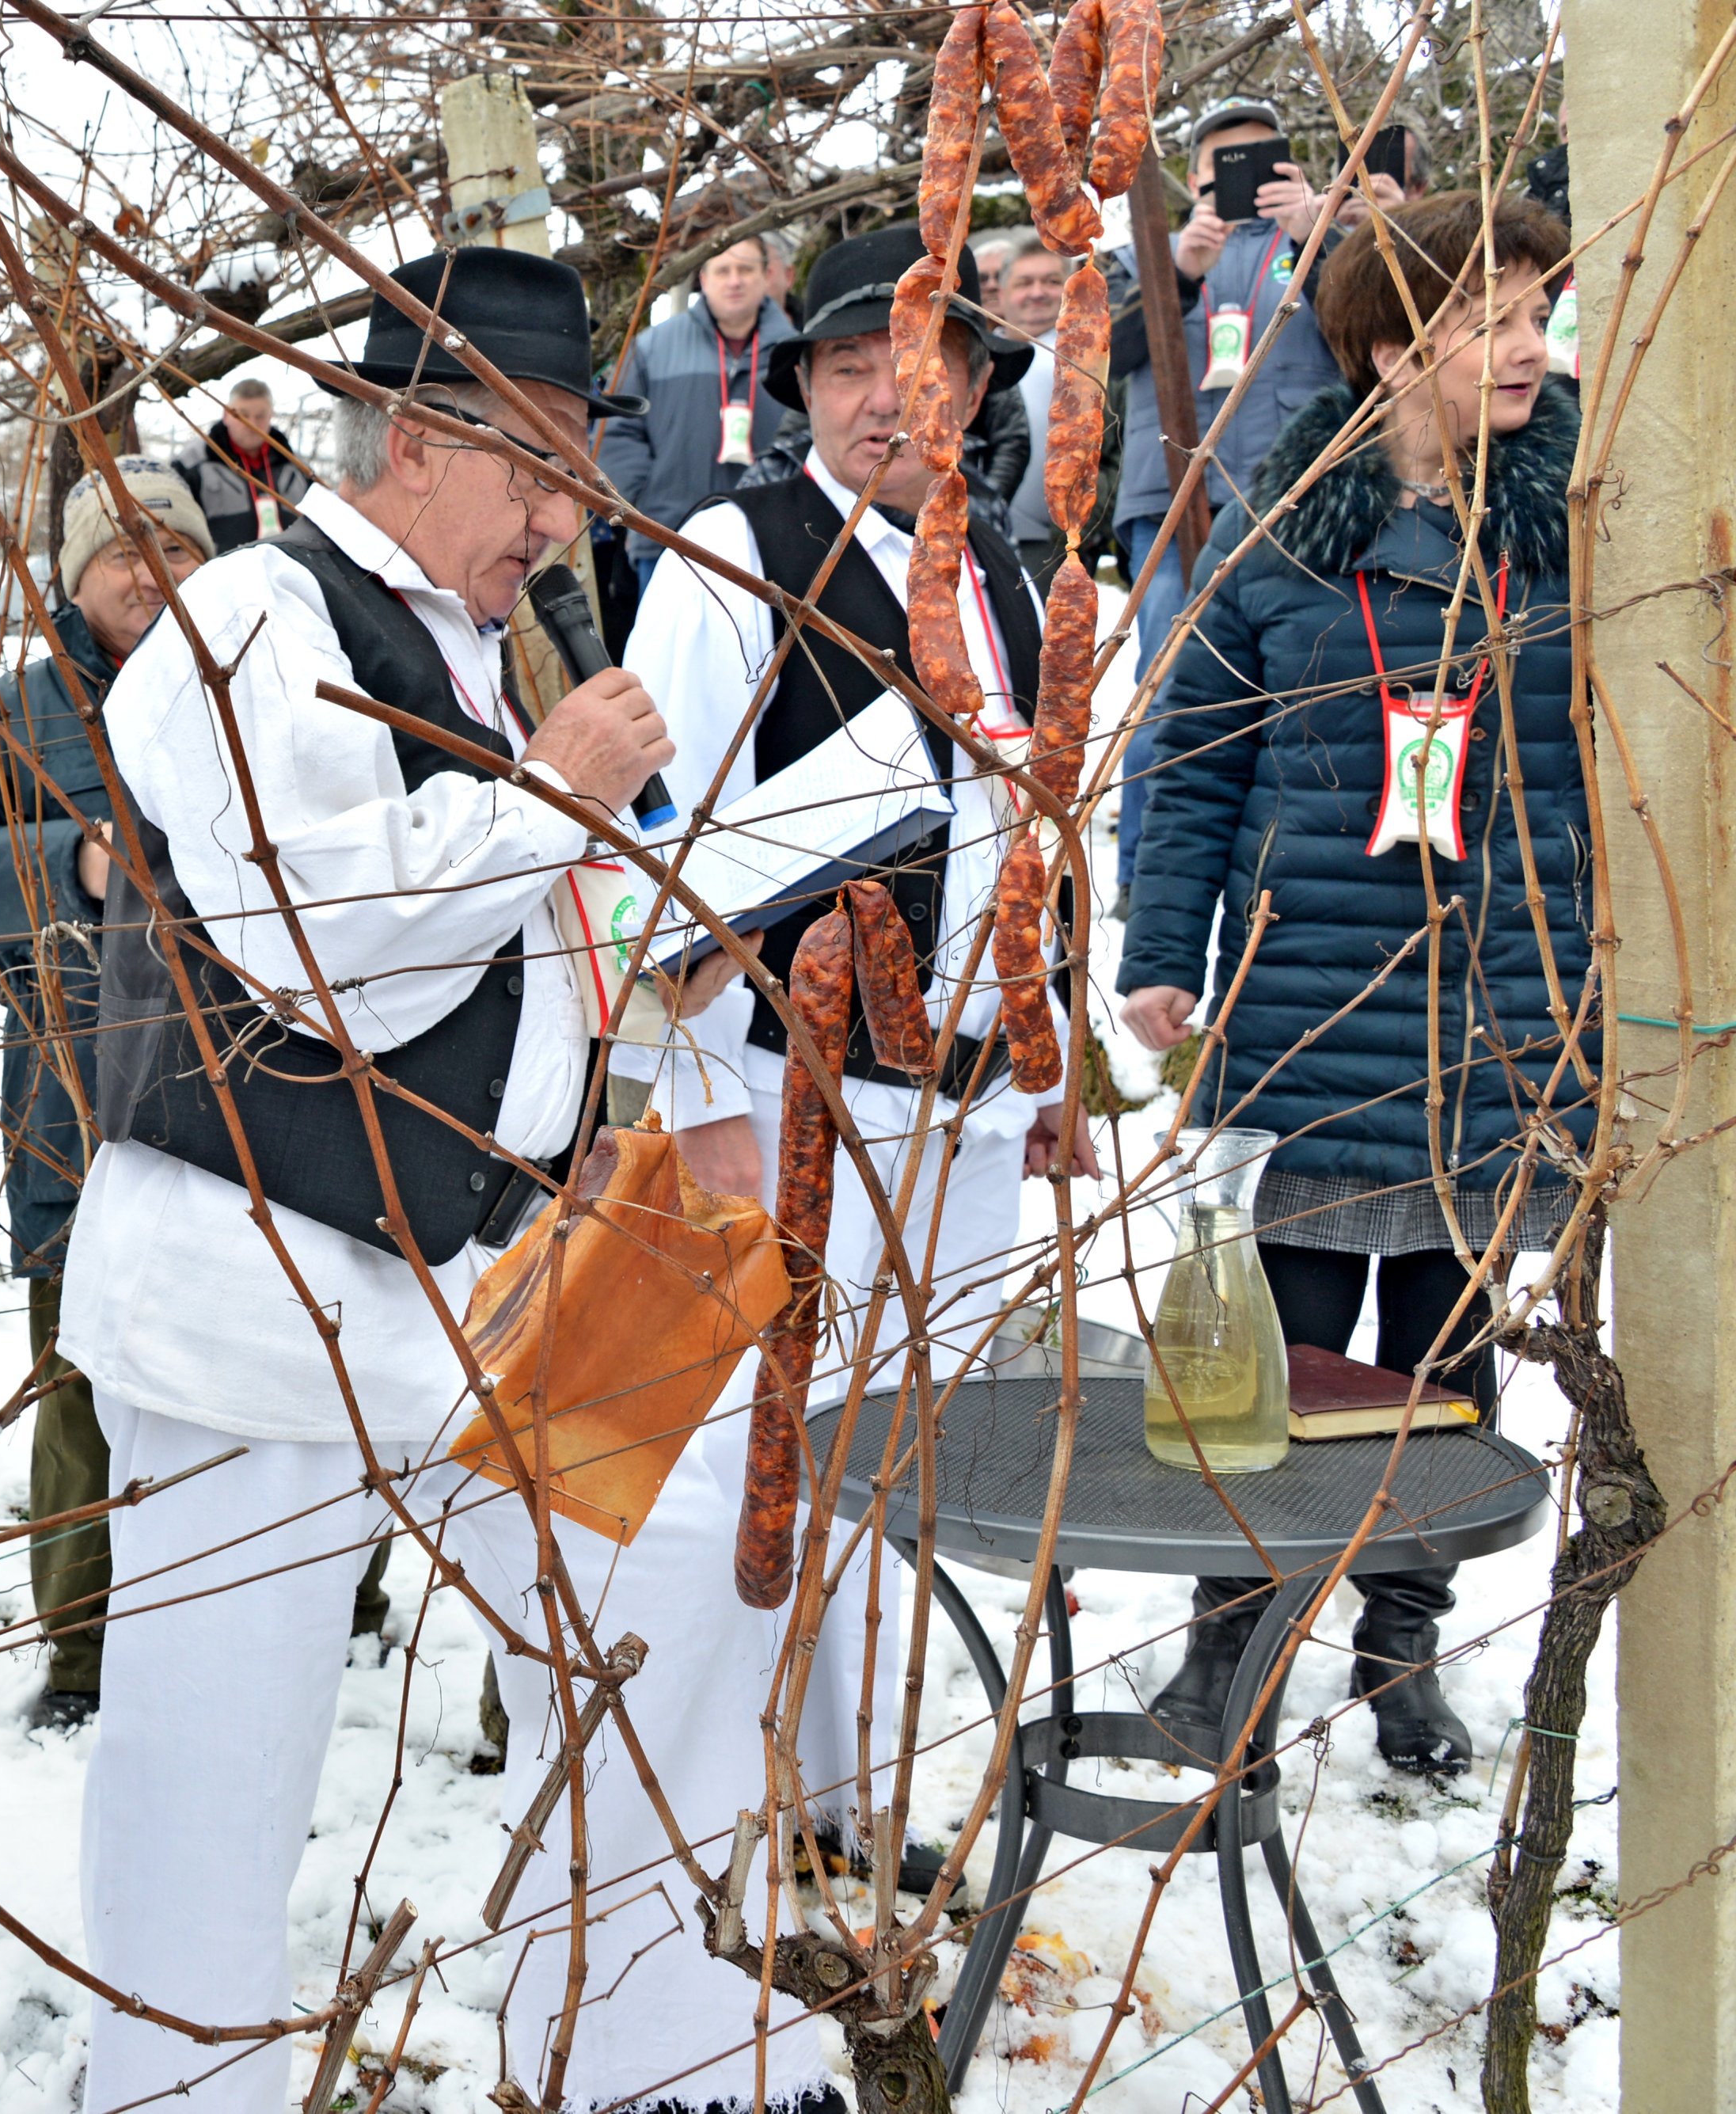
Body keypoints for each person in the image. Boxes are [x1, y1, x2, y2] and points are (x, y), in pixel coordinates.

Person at [66, 243, 858, 2114]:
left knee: (681, 1546)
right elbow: (316, 945)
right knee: (214, 1756)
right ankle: (177, 2094)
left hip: (468, 1271)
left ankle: (627, 2024)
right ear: (414, 441)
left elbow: (503, 932)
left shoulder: (466, 650)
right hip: (254, 1293)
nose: (562, 512)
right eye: (537, 464)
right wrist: (554, 793)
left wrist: (613, 1028)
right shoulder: (253, 617)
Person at [1116, 192, 1590, 1778]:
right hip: (1308, 1011)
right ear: (1391, 352)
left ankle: (1399, 1653)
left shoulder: (1583, 523)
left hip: (1496, 1019)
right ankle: (1224, 1668)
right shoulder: (1281, 534)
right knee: (1275, 1362)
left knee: (1439, 1372)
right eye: (1493, 316)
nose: (1529, 346)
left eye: (1536, 311)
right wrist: (1160, 956)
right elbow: (1188, 762)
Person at [627, 221, 1098, 1393]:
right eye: (851, 368)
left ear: (978, 383)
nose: (888, 397)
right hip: (807, 1107)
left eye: (923, 362)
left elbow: (1038, 831)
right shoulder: (731, 557)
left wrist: (1050, 1061)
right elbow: (664, 851)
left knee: (929, 1448)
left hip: (981, 1110)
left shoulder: (1008, 567)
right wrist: (698, 1103)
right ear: (809, 390)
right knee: (784, 1440)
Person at [0, 457, 224, 1733]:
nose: (152, 570)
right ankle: (84, 1654)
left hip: (271, 1104)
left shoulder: (261, 685)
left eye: (176, 545)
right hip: (82, 1107)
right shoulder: (9, 719)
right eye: (119, 549)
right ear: (73, 578)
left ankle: (326, 1590)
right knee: (85, 1380)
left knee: (285, 1357)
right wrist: (64, 861)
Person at [1111, 97, 1403, 901]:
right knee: (1168, 685)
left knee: (1308, 678)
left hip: (1304, 497)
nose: (1239, 183)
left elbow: (1385, 341)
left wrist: (1317, 234)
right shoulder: (1148, 252)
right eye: (1218, 168)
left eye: (1261, 161)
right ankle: (1144, 879)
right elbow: (1101, 352)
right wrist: (1179, 272)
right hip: (1173, 500)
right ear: (1193, 178)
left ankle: (1296, 870)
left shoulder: (1330, 245)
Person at [595, 233, 800, 580]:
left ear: (766, 276)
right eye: (722, 271)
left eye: (745, 269)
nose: (734, 281)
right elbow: (615, 431)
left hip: (775, 542)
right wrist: (645, 506)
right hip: (669, 540)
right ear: (703, 279)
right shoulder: (652, 347)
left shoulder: (797, 351)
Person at [996, 241, 1077, 575]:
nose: (1038, 292)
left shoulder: (1090, 358)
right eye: (1024, 283)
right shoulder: (978, 358)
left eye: (1052, 281)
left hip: (1054, 540)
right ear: (1001, 294)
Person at [173, 377, 313, 552]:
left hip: (286, 572)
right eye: (242, 415)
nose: (251, 424)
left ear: (271, 416)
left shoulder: (296, 466)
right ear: (226, 416)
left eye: (260, 416)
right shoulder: (193, 463)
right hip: (219, 573)